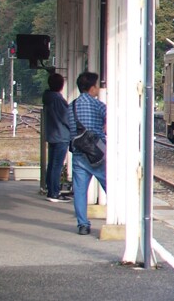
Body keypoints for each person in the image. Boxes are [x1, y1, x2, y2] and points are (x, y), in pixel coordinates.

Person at [66, 71, 107, 235]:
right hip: (97, 154)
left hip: (79, 153)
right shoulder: (97, 105)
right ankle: (122, 215)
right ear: (92, 88)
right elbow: (112, 118)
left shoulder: (72, 106)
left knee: (80, 191)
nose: (97, 89)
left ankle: (83, 225)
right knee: (110, 185)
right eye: (96, 86)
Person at [42, 72, 71, 202]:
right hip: (61, 135)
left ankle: (50, 189)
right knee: (57, 165)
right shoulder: (58, 99)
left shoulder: (48, 97)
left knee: (52, 164)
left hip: (52, 134)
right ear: (61, 85)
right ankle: (54, 192)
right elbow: (67, 118)